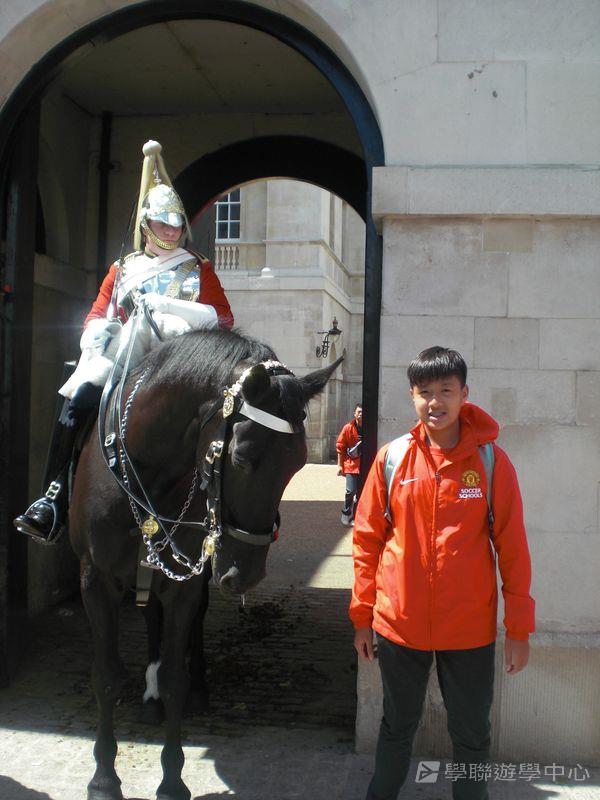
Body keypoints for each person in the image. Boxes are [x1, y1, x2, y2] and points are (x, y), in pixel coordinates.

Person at [14, 140, 233, 544]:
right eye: (163, 224)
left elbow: (222, 318)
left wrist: (170, 306)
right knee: (78, 397)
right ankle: (54, 496)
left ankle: (228, 511)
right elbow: (97, 314)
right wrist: (94, 333)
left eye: (176, 224)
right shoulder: (123, 269)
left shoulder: (197, 269)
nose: (172, 231)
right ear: (147, 226)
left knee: (228, 417)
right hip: (124, 354)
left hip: (178, 360)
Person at [350, 346, 534, 800]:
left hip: (469, 628)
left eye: (446, 391)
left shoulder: (490, 463)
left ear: (464, 393)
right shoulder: (393, 459)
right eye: (425, 392)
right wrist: (362, 617)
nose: (435, 402)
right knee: (396, 725)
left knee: (471, 734)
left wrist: (519, 628)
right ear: (412, 397)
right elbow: (367, 541)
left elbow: (512, 548)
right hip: (399, 623)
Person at [336, 403, 362, 525]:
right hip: (351, 464)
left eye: (363, 412)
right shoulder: (348, 428)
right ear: (354, 414)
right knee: (350, 490)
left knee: (361, 492)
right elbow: (340, 446)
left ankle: (356, 516)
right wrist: (339, 465)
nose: (361, 414)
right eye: (359, 412)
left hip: (365, 464)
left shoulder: (370, 427)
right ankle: (346, 512)